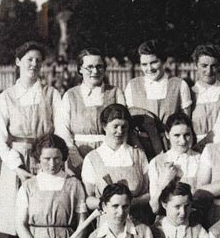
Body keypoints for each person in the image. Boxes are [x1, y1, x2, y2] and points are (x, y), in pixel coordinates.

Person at [0, 41, 61, 238]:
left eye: (37, 60)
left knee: (47, 213)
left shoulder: (51, 94)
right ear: (17, 62)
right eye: (28, 59)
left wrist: (53, 160)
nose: (33, 64)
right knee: (17, 217)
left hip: (47, 158)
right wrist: (17, 167)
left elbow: (60, 129)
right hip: (18, 160)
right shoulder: (6, 97)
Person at [56, 48, 126, 177]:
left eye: (99, 67)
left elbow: (124, 128)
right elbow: (63, 132)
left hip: (111, 153)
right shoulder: (70, 95)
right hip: (78, 156)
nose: (95, 71)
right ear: (80, 69)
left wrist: (114, 155)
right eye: (89, 67)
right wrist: (78, 160)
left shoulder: (116, 93)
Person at [81, 104, 151, 223]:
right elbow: (88, 199)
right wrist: (106, 204)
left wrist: (131, 203)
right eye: (115, 126)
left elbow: (149, 193)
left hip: (138, 222)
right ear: (104, 126)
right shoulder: (92, 158)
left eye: (124, 127)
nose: (120, 131)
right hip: (107, 224)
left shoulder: (138, 155)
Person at [124, 39, 192, 129]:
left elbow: (186, 123)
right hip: (141, 142)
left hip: (171, 141)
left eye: (154, 62)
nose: (149, 68)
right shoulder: (132, 86)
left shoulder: (180, 85)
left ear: (163, 61)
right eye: (144, 64)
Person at [148, 113, 200, 214]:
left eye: (187, 135)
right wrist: (165, 181)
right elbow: (154, 208)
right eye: (177, 135)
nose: (183, 140)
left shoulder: (200, 159)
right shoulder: (156, 162)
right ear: (167, 135)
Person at [190, 44, 220, 143]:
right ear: (196, 65)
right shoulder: (189, 93)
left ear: (219, 66)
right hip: (195, 147)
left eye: (213, 66)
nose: (209, 71)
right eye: (204, 66)